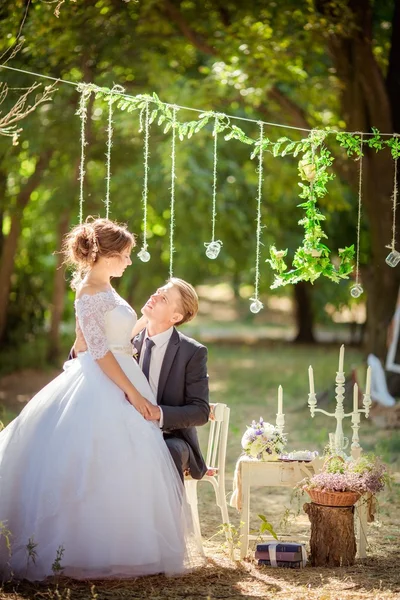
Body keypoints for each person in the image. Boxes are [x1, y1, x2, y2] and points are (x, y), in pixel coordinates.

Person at [0, 217, 202, 581]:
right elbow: (99, 352)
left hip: (121, 374)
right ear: (106, 255)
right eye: (125, 255)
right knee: (93, 461)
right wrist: (132, 395)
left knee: (129, 461)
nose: (128, 261)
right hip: (105, 381)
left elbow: (115, 334)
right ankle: (81, 548)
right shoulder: (89, 291)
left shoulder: (104, 287)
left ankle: (125, 545)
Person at [73, 277, 210, 482]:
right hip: (122, 429)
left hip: (169, 436)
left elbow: (200, 412)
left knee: (168, 452)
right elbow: (87, 364)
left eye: (163, 298)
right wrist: (78, 347)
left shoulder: (192, 352)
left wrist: (158, 412)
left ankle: (163, 514)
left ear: (176, 316)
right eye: (157, 290)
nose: (154, 296)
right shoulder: (124, 342)